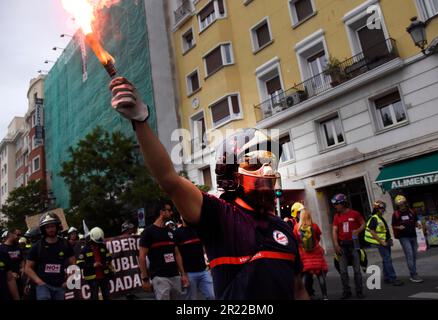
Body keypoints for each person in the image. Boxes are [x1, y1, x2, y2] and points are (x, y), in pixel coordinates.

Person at [109, 77, 308, 300]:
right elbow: (168, 179)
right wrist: (140, 121)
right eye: (254, 164)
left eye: (270, 164)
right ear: (230, 174)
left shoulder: (285, 229)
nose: (266, 172)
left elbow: (298, 289)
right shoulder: (220, 216)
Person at [138, 202, 189, 300]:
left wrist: (183, 274)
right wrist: (145, 279)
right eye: (169, 210)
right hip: (160, 277)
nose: (171, 213)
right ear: (162, 212)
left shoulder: (170, 232)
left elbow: (177, 254)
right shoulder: (148, 232)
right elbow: (142, 257)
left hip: (175, 276)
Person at [25, 212, 76, 300]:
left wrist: (69, 280)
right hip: (43, 286)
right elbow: (28, 268)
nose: (50, 229)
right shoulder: (37, 246)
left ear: (57, 226)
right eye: (47, 227)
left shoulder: (65, 243)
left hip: (60, 285)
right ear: (43, 229)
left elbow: (73, 263)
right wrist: (39, 282)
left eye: (52, 226)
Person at [331, 193, 366, 299]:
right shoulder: (336, 216)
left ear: (343, 203)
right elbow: (334, 230)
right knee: (343, 271)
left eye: (337, 204)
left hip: (354, 245)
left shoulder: (355, 214)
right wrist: (336, 244)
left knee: (357, 270)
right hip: (342, 246)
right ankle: (346, 291)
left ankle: (359, 291)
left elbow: (363, 224)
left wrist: (358, 230)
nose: (335, 206)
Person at [365, 201, 403, 286]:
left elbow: (384, 230)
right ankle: (393, 278)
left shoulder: (379, 217)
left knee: (386, 260)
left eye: (383, 208)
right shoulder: (374, 218)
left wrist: (389, 239)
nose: (382, 210)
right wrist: (381, 242)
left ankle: (387, 277)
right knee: (387, 260)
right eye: (381, 208)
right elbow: (372, 231)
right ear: (376, 209)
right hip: (381, 243)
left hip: (385, 242)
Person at [174, 217, 215, 300]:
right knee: (191, 298)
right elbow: (177, 254)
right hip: (189, 273)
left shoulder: (198, 229)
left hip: (203, 270)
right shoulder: (177, 233)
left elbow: (205, 246)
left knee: (212, 296)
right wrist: (183, 274)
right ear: (181, 217)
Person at [294, 206, 328, 300]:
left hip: (304, 254)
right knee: (320, 275)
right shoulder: (314, 226)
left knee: (305, 275)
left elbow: (295, 240)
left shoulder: (297, 227)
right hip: (316, 252)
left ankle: (305, 296)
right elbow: (318, 237)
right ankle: (325, 296)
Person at [391, 195, 424, 283]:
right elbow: (393, 225)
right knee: (409, 254)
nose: (401, 206)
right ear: (397, 205)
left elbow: (416, 221)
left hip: (413, 235)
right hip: (404, 237)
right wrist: (399, 227)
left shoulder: (411, 211)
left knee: (414, 255)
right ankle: (413, 274)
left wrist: (418, 225)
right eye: (399, 204)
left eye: (402, 204)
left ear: (405, 203)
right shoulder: (396, 214)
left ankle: (413, 272)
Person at [77, 227, 114, 300]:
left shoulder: (102, 246)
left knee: (107, 296)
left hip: (104, 275)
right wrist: (92, 265)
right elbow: (80, 264)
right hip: (92, 278)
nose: (98, 243)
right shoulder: (84, 250)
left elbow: (109, 257)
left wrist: (106, 262)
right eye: (96, 241)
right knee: (94, 297)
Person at [0, 229, 24, 297]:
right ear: (10, 234)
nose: (18, 237)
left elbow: (22, 260)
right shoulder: (2, 249)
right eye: (17, 235)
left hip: (19, 278)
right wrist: (11, 274)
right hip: (9, 279)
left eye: (20, 235)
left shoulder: (17, 247)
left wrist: (23, 268)